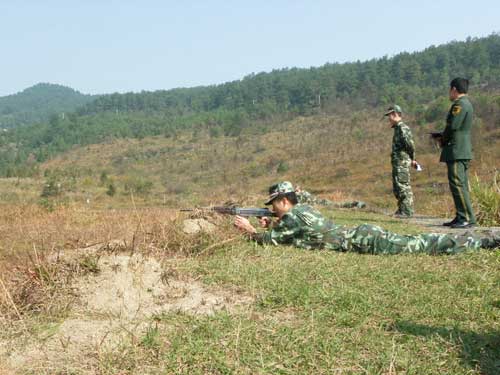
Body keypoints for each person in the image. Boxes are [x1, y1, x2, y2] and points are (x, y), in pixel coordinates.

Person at [234, 181, 499, 254]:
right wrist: (274, 224)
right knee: (417, 240)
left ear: (283, 201)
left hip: (364, 241)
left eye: (275, 206)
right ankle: (478, 239)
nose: (273, 210)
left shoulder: (292, 216)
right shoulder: (301, 211)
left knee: (422, 244)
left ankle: (483, 241)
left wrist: (249, 230)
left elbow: (270, 242)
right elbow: (295, 234)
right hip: (363, 234)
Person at [432, 78, 476, 228]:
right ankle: (461, 216)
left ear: (454, 89)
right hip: (461, 149)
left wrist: (442, 138)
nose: (449, 93)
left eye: (450, 89)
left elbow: (454, 125)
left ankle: (466, 218)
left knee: (457, 184)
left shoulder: (459, 104)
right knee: (460, 184)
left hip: (457, 150)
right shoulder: (466, 104)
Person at [384, 105, 417, 218]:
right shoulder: (398, 128)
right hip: (398, 162)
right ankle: (401, 209)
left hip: (402, 162)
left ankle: (407, 211)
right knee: (398, 186)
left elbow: (410, 145)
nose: (388, 118)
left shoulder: (403, 128)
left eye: (389, 116)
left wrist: (412, 159)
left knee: (403, 185)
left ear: (394, 114)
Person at [294, 186, 366, 209]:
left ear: (300, 189)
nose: (296, 191)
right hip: (321, 202)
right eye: (295, 190)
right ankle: (354, 204)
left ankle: (355, 203)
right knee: (338, 205)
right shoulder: (301, 194)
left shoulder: (303, 193)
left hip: (321, 203)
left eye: (297, 190)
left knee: (338, 205)